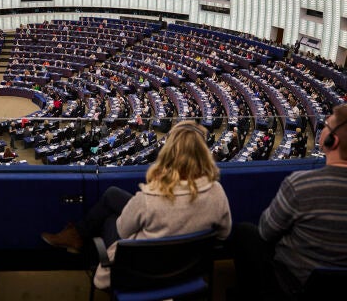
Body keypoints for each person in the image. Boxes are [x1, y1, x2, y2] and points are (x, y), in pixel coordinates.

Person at [231, 104, 347, 300]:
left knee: (245, 231)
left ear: (332, 140)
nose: (321, 128)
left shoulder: (301, 184)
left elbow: (266, 231)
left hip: (304, 287)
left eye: (326, 125)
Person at [41, 121, 232, 289]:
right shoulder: (217, 191)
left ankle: (79, 238)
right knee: (112, 194)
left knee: (111, 220)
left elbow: (123, 231)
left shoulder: (150, 197)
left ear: (168, 155)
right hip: (189, 270)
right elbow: (224, 233)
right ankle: (78, 236)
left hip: (144, 272)